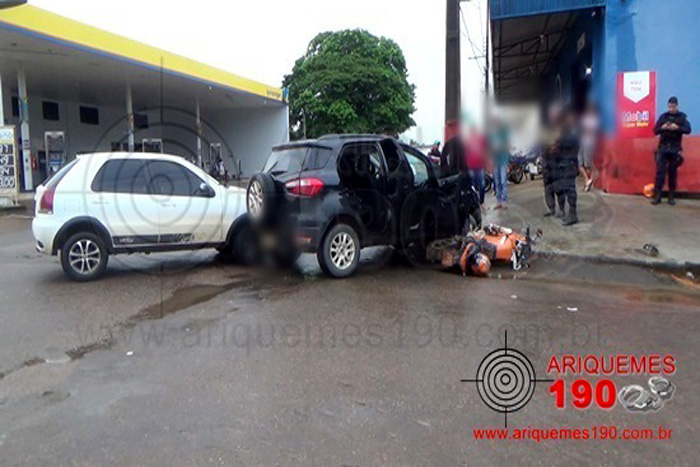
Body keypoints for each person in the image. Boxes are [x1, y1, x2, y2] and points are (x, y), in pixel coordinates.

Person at [652, 96, 691, 206]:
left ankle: (671, 196)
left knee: (673, 173)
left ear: (677, 106)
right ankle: (657, 196)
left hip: (675, 149)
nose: (671, 109)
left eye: (673, 107)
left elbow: (688, 130)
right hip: (663, 148)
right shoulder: (663, 117)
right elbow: (655, 131)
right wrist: (663, 127)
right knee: (660, 173)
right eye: (669, 106)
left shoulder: (682, 117)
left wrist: (677, 128)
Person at [555, 109, 581, 226]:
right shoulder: (565, 132)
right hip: (564, 165)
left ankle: (573, 214)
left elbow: (567, 146)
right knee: (565, 189)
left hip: (568, 165)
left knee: (570, 190)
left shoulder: (571, 134)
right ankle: (570, 213)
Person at [578, 101, 600, 192]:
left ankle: (588, 181)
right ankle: (587, 180)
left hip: (589, 143)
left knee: (587, 165)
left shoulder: (595, 120)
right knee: (579, 164)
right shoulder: (584, 118)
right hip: (582, 142)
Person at [490, 118, 510, 210]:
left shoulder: (504, 132)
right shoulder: (492, 134)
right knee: (497, 182)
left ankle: (504, 201)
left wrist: (500, 147)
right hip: (495, 161)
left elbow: (508, 145)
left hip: (503, 160)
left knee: (503, 181)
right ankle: (498, 202)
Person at [466, 126, 487, 206]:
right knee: (473, 185)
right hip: (471, 166)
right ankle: (476, 202)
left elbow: (485, 150)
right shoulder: (468, 140)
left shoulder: (480, 138)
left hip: (479, 165)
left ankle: (481, 201)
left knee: (481, 184)